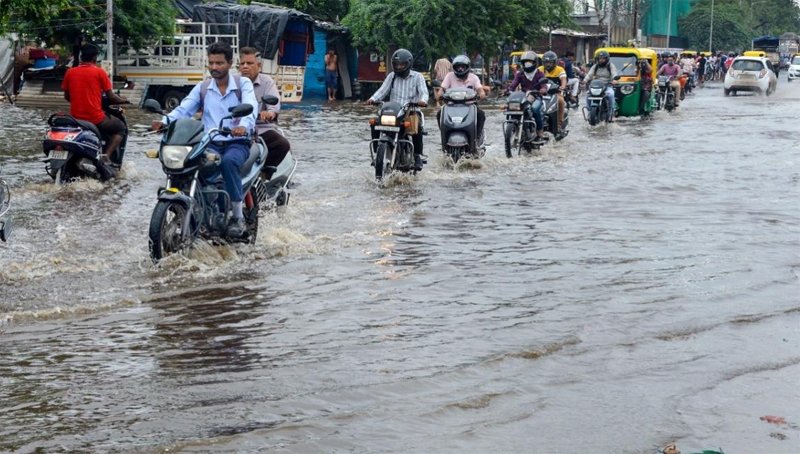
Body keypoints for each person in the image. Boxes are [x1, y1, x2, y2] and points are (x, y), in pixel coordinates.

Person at [151, 42, 258, 237]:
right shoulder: (204, 87)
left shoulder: (243, 84)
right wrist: (164, 121)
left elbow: (251, 107)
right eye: (211, 63)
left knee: (228, 162)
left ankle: (236, 217)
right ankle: (196, 206)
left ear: (230, 63)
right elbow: (184, 109)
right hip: (210, 142)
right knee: (189, 164)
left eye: (220, 63)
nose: (215, 67)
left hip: (237, 141)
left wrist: (243, 125)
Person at [61, 43, 128, 165]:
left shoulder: (70, 72)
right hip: (95, 118)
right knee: (120, 128)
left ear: (81, 57)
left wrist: (79, 101)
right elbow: (111, 97)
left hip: (75, 119)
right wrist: (123, 100)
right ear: (95, 58)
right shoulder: (99, 73)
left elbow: (66, 96)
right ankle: (106, 156)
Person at [366, 48, 429, 171]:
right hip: (393, 111)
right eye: (396, 64)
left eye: (402, 64)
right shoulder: (392, 76)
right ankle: (376, 153)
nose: (399, 67)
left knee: (417, 125)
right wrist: (372, 99)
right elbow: (382, 91)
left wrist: (422, 101)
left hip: (411, 110)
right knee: (374, 122)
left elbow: (424, 92)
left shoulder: (417, 77)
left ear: (408, 64)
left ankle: (417, 155)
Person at [237, 47, 291, 181]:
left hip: (260, 129)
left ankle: (265, 175)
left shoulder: (267, 82)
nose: (245, 67)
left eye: (249, 64)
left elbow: (274, 105)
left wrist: (270, 113)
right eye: (242, 63)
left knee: (282, 144)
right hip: (235, 129)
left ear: (259, 66)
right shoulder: (232, 82)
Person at [436, 54, 486, 142]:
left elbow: (480, 89)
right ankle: (444, 137)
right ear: (454, 68)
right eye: (458, 67)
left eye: (462, 67)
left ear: (467, 67)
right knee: (439, 114)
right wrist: (440, 95)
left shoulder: (474, 78)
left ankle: (476, 138)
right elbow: (442, 89)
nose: (460, 69)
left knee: (481, 115)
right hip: (451, 106)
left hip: (470, 106)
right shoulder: (449, 76)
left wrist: (481, 94)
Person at [507, 51, 548, 144]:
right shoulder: (520, 74)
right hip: (523, 96)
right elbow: (513, 85)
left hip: (536, 96)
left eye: (529, 62)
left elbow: (543, 85)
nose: (527, 64)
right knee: (510, 107)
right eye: (525, 62)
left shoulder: (539, 74)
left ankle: (539, 131)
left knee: (534, 109)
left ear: (534, 63)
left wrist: (543, 89)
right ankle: (513, 129)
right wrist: (507, 91)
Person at [538, 51, 567, 139]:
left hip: (556, 93)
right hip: (542, 93)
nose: (548, 65)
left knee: (561, 101)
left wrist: (562, 87)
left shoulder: (560, 69)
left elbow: (563, 79)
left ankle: (559, 124)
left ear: (554, 62)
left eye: (550, 62)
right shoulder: (540, 69)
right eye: (546, 62)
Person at [583, 50, 619, 116]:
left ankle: (611, 112)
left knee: (611, 95)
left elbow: (614, 73)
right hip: (596, 86)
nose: (601, 60)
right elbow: (589, 74)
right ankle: (589, 111)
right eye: (600, 58)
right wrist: (585, 80)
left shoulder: (610, 66)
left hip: (607, 85)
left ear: (606, 59)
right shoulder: (595, 66)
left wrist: (614, 80)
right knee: (588, 95)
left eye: (603, 59)